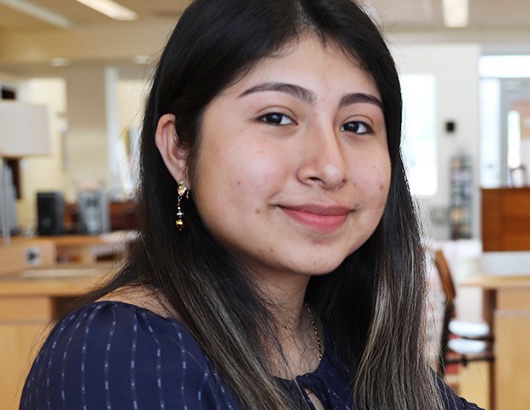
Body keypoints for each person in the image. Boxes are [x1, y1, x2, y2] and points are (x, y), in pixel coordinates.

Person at [20, 0, 484, 409]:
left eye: (356, 125)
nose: (330, 166)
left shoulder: (349, 340)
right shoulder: (121, 356)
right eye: (276, 117)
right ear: (179, 149)